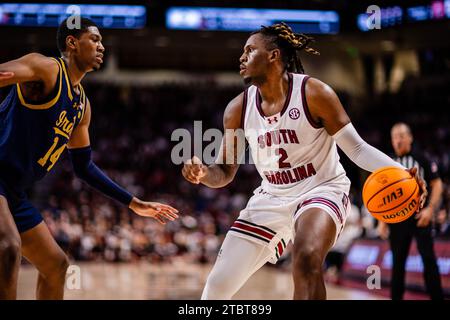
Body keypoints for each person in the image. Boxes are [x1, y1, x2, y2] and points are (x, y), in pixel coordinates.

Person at [182, 22, 426, 300]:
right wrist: (203, 172)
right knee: (216, 287)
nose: (241, 57)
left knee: (307, 257)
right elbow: (224, 172)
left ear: (273, 56)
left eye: (250, 50)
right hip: (270, 197)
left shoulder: (314, 93)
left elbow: (357, 150)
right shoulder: (237, 109)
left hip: (321, 190)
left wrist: (402, 172)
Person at [0, 17, 178, 300]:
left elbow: (83, 167)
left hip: (14, 193)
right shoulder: (45, 68)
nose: (102, 47)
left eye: (102, 41)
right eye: (95, 40)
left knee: (57, 266)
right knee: (8, 247)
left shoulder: (81, 106)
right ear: (72, 43)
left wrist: (134, 204)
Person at [378, 122, 443, 300]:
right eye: (394, 137)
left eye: (401, 136)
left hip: (419, 216)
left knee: (429, 260)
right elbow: (383, 196)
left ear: (410, 138)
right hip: (397, 220)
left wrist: (430, 210)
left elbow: (437, 184)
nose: (398, 140)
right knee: (397, 264)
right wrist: (382, 221)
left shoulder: (421, 158)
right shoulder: (388, 163)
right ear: (391, 141)